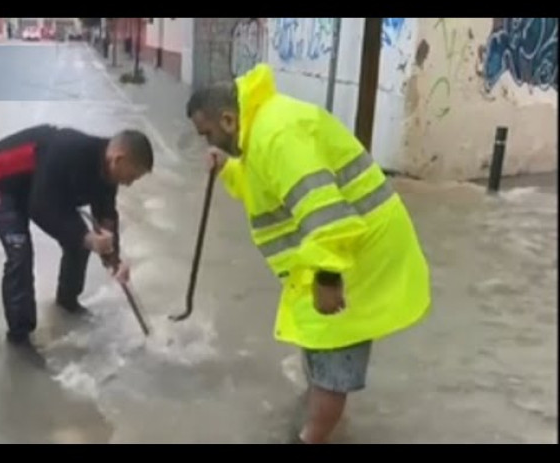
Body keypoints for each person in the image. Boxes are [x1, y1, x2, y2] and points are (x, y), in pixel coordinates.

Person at [185, 64, 431, 444]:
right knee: (318, 341)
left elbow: (326, 213)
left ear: (229, 119)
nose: (209, 143)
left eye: (208, 134)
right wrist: (230, 169)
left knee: (332, 348)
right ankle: (317, 412)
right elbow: (265, 188)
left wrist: (329, 276)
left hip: (355, 253)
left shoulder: (277, 135)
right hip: (341, 248)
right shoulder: (259, 132)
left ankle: (311, 436)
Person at [0, 124, 153, 345]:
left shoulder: (107, 175)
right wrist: (87, 238)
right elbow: (39, 207)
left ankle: (67, 302)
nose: (129, 183)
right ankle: (19, 337)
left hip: (39, 187)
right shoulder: (70, 150)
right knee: (20, 253)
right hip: (0, 183)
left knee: (80, 241)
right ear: (119, 159)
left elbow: (106, 217)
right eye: (132, 176)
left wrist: (114, 260)